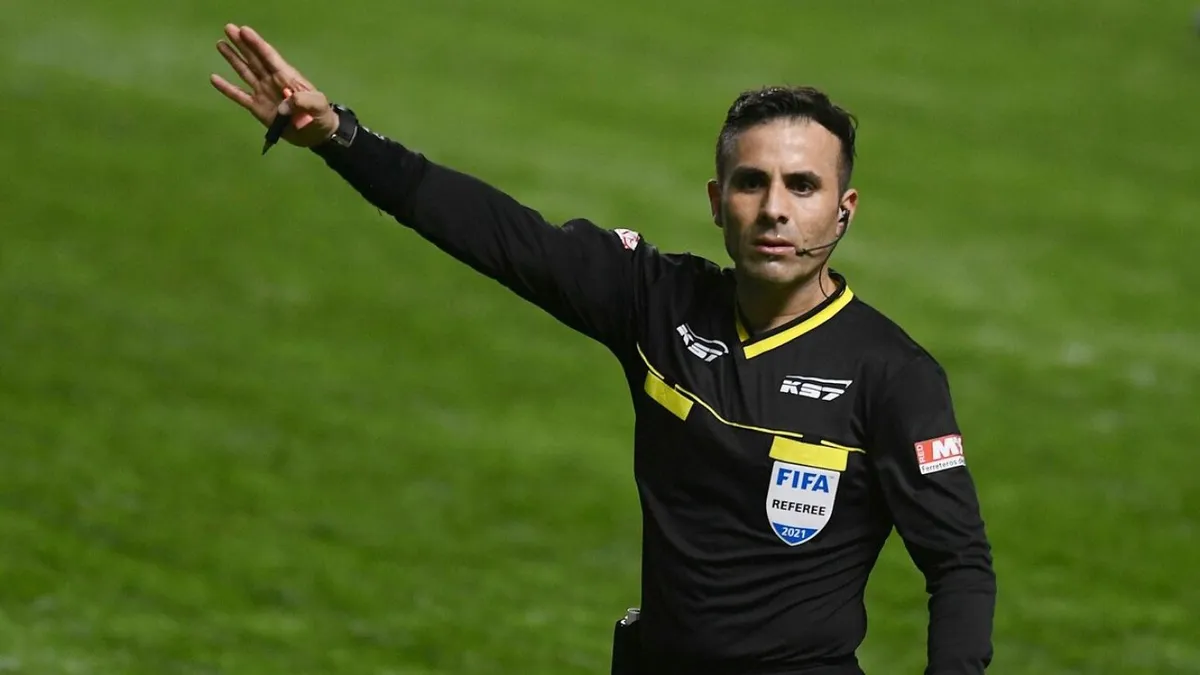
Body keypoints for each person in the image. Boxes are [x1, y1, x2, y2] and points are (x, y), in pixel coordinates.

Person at [210, 23, 996, 675]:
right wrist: (341, 138)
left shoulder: (892, 375)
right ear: (717, 201)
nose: (774, 210)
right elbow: (498, 232)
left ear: (844, 209)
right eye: (752, 183)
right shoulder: (655, 302)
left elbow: (958, 563)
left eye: (803, 186)